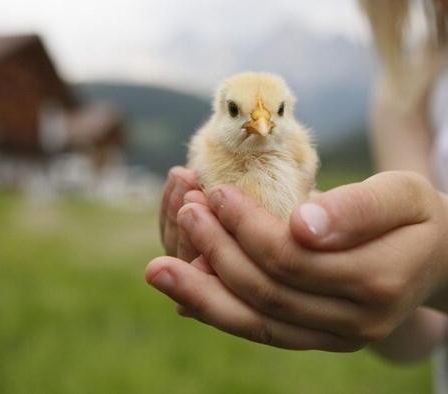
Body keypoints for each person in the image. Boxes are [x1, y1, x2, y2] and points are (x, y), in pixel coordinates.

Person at [146, 0, 448, 390]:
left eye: (275, 113)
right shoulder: (408, 85)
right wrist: (377, 286)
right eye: (238, 112)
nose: (261, 123)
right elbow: (425, 329)